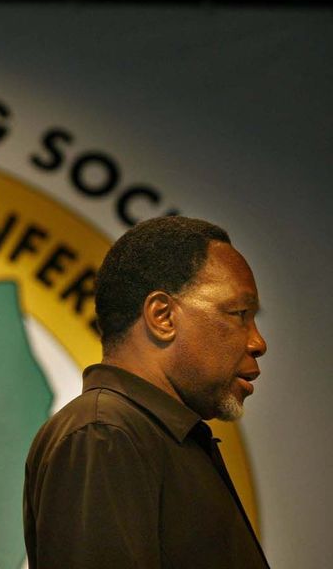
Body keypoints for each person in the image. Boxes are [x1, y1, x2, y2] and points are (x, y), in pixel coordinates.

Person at [22, 216, 270, 568]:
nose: (258, 342)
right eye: (239, 313)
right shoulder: (104, 434)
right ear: (162, 316)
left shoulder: (144, 436)